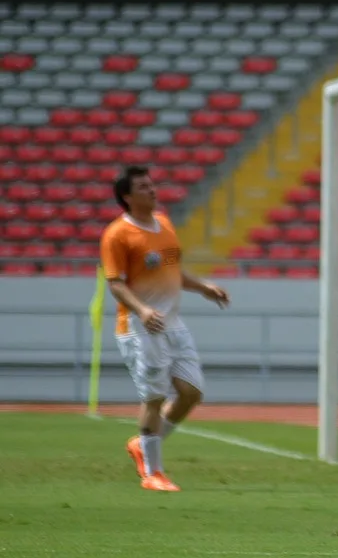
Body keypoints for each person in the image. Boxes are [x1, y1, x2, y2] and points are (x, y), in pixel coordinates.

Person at [99, 165, 230, 492]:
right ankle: (152, 474)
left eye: (152, 184)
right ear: (127, 197)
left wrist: (203, 288)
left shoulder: (165, 225)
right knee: (155, 396)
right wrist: (142, 311)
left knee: (191, 392)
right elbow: (115, 284)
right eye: (143, 187)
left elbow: (174, 273)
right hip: (141, 327)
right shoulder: (118, 234)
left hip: (173, 324)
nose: (152, 190)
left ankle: (142, 446)